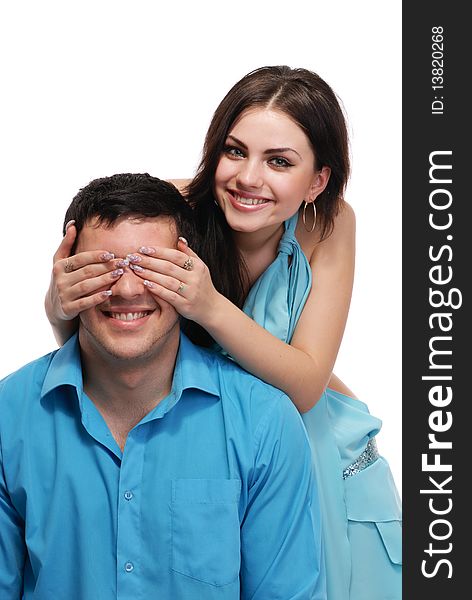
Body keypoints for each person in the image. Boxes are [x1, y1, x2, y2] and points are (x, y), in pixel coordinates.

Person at [45, 66, 402, 599]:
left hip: (319, 447)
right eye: (235, 152)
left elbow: (305, 387)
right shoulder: (170, 209)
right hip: (205, 444)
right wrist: (57, 304)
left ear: (318, 181)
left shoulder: (330, 223)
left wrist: (208, 306)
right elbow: (109, 340)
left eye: (279, 161)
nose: (248, 178)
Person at [0, 173, 324, 599]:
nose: (128, 289)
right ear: (68, 275)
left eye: (151, 266)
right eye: (104, 268)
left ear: (190, 275)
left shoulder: (264, 423)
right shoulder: (10, 415)